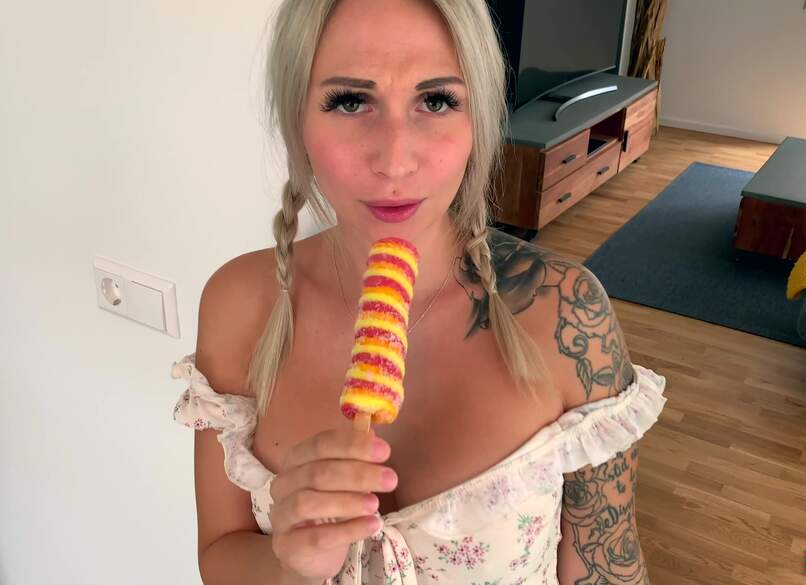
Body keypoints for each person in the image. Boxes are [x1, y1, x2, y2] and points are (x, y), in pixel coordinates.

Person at [169, 0, 667, 583]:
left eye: (435, 101)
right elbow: (221, 553)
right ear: (296, 121)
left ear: (477, 120)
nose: (395, 160)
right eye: (350, 101)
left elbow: (609, 570)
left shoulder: (566, 314)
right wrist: (290, 568)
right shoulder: (236, 303)